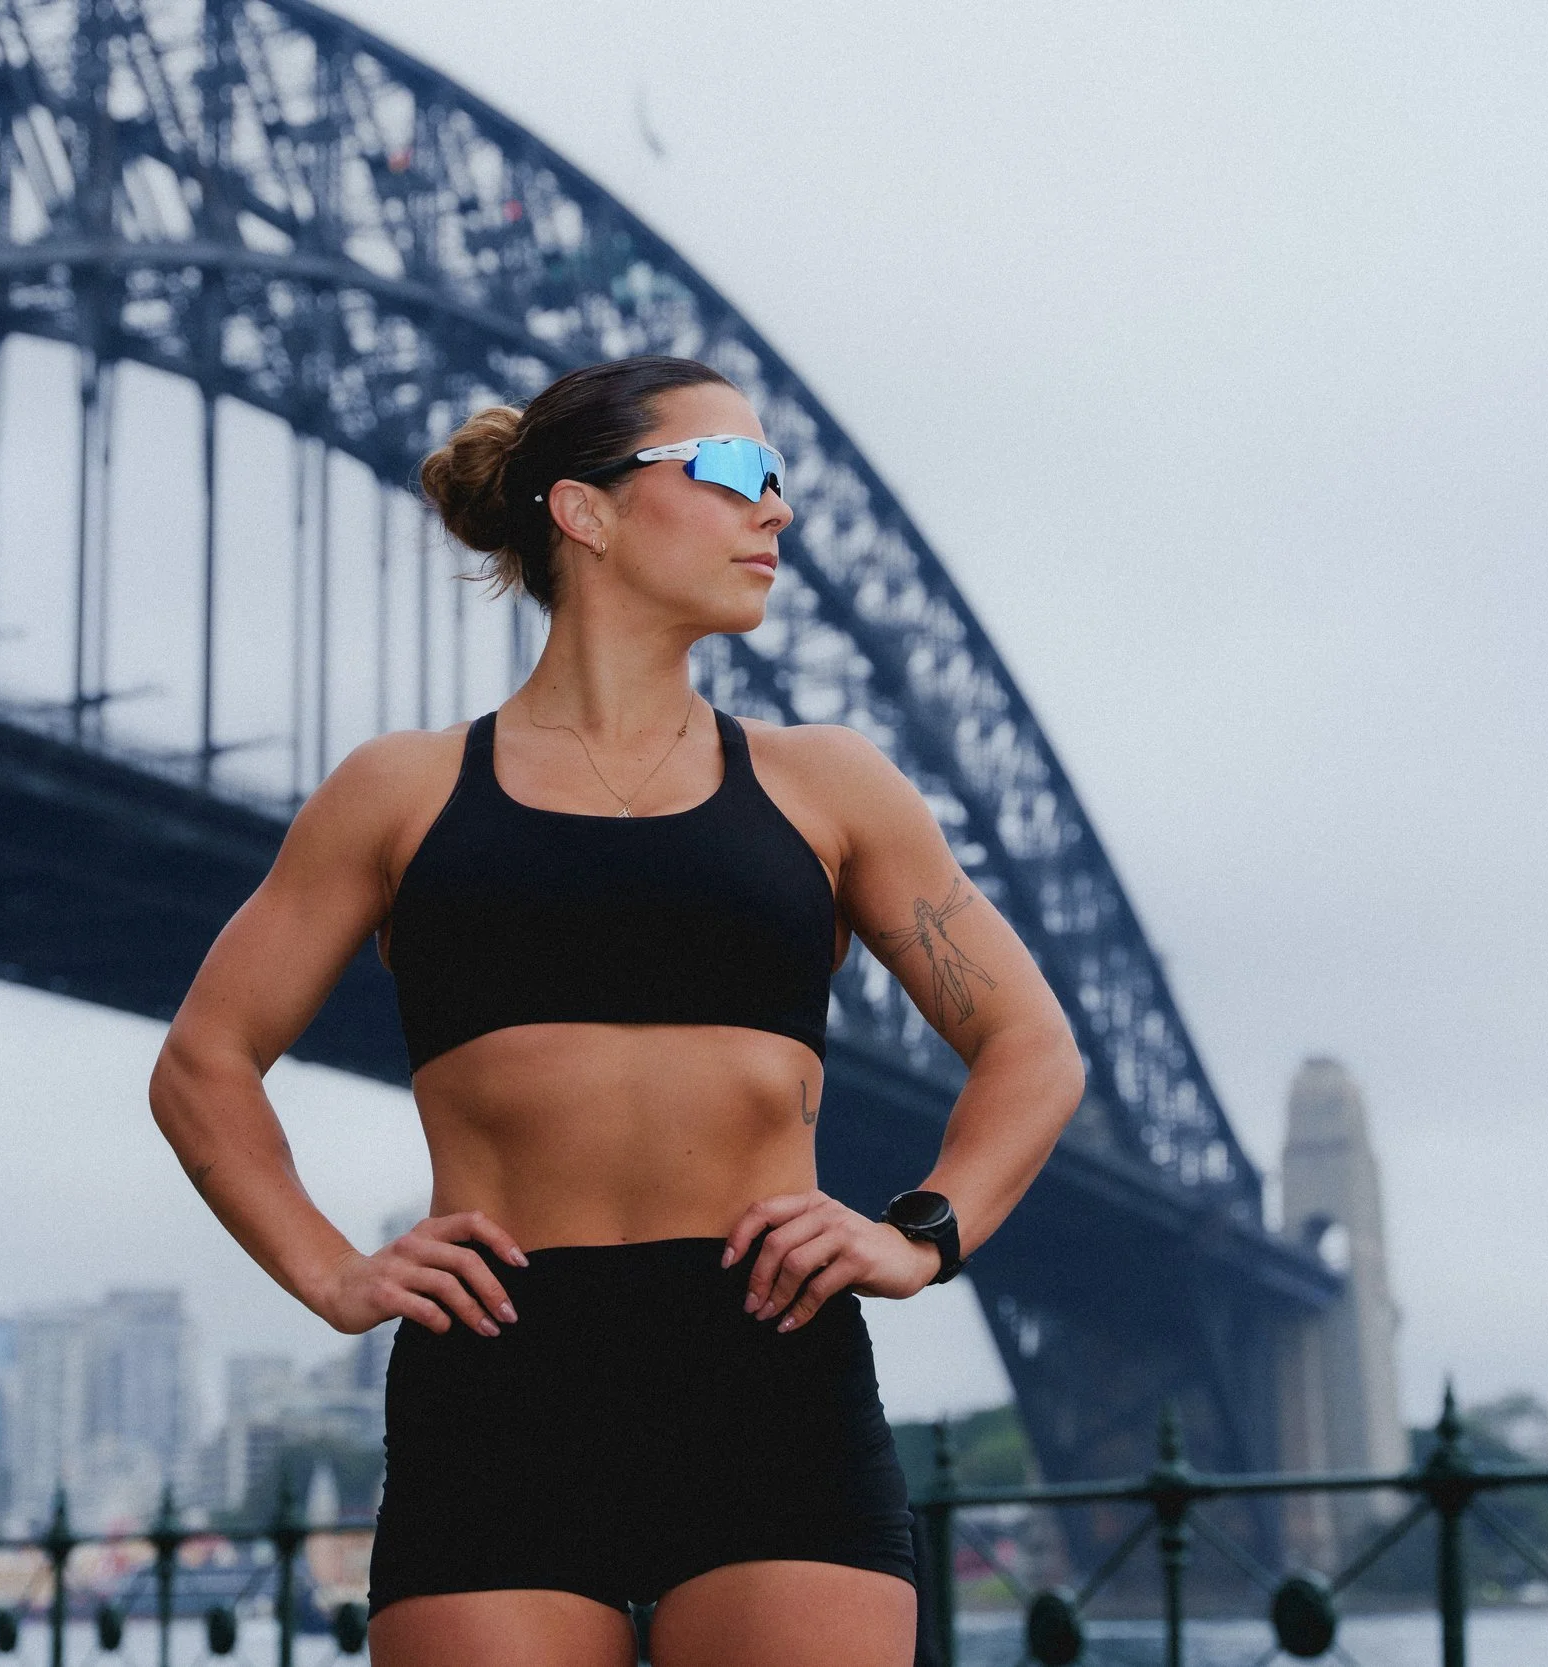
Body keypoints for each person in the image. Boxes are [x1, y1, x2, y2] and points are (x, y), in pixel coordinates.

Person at [149, 355, 1085, 1667]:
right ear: (584, 511)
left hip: (772, 1373)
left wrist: (921, 1235)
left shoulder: (829, 786)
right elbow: (204, 1062)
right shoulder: (401, 793)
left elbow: (1031, 1046)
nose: (780, 513)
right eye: (739, 473)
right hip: (499, 1378)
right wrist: (332, 1271)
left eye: (781, 481)